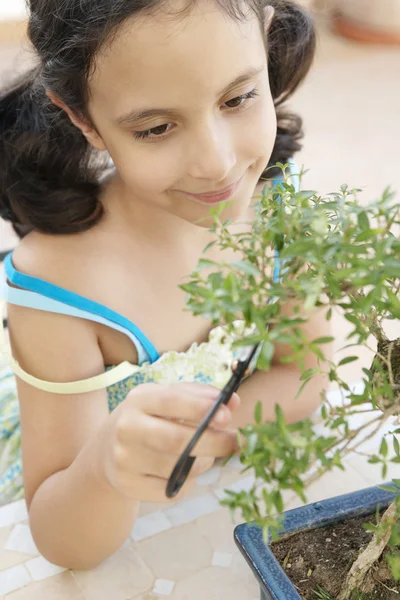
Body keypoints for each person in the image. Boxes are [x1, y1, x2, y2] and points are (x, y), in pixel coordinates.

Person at [0, 0, 330, 570]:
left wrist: (198, 441)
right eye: (156, 127)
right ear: (81, 118)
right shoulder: (56, 286)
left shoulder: (276, 201)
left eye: (239, 97)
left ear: (266, 42)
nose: (218, 162)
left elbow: (304, 377)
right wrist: (108, 465)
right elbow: (65, 544)